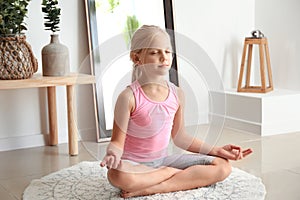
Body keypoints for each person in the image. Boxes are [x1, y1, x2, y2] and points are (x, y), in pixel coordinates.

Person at [100, 25, 253, 198]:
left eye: (167, 51)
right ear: (136, 57)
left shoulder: (177, 94)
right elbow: (117, 142)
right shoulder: (128, 97)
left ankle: (155, 187)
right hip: (135, 165)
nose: (163, 57)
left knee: (223, 166)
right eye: (154, 53)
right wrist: (112, 154)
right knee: (117, 176)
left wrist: (217, 150)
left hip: (164, 161)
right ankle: (171, 174)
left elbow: (180, 137)